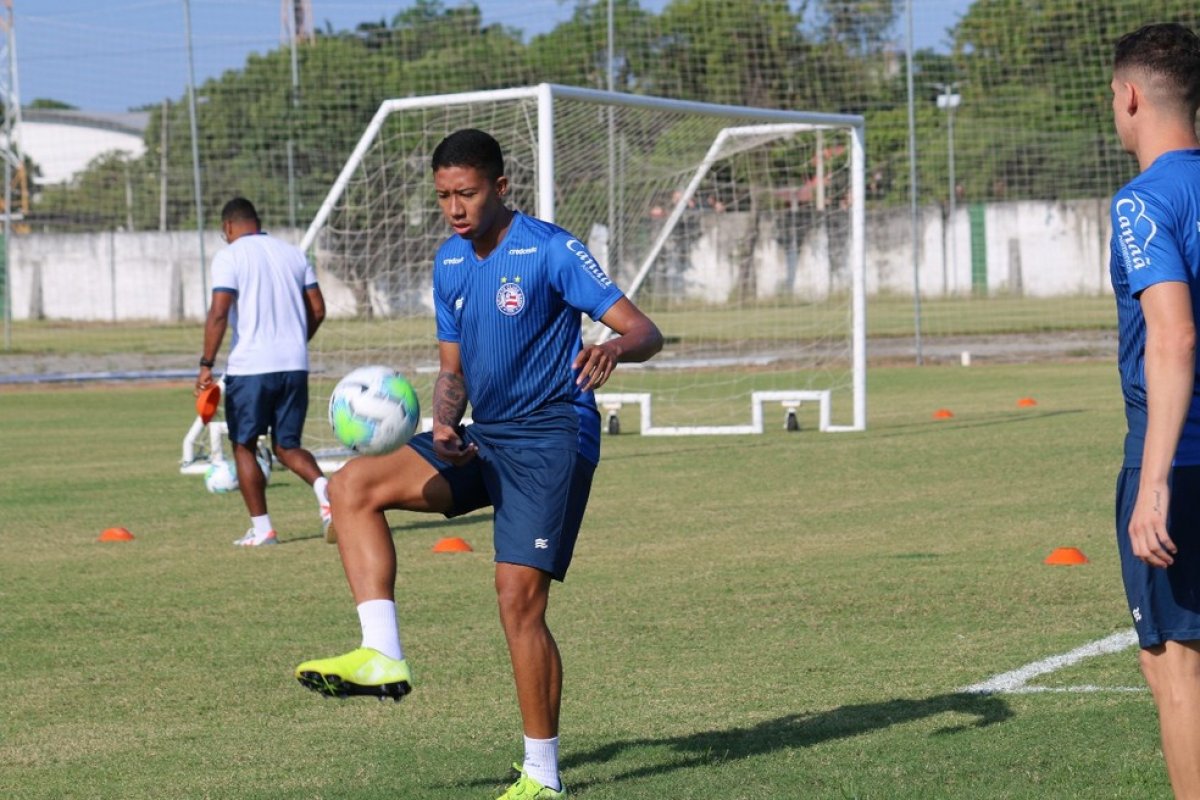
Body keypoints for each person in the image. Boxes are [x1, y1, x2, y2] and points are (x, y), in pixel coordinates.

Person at [294, 129, 663, 799]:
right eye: (443, 197)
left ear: (500, 186)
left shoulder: (551, 250)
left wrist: (612, 348)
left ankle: (541, 778)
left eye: (466, 193)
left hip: (552, 437)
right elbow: (451, 369)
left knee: (517, 601)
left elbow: (644, 330)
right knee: (351, 486)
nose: (455, 208)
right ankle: (381, 653)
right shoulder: (451, 264)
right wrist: (442, 421)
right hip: (483, 434)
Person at [1108, 23, 1200, 799]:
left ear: (1129, 97)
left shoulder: (1143, 204)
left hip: (1184, 457)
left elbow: (1173, 337)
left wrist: (1156, 480)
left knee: (1176, 664)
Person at [195, 197, 332, 547]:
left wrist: (206, 364)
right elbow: (317, 309)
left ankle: (263, 530)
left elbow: (219, 313)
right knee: (287, 446)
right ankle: (326, 496)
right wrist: (296, 343)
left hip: (252, 367)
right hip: (294, 365)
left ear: (228, 227)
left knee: (244, 445)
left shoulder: (229, 256)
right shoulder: (293, 253)